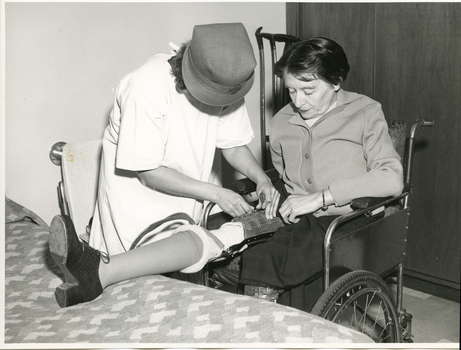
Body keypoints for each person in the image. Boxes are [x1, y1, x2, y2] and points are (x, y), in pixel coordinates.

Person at [48, 22, 280, 308]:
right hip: (136, 198)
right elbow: (149, 173)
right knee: (144, 283)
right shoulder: (146, 88)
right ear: (190, 71)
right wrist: (216, 193)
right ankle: (98, 270)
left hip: (189, 194)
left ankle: (93, 272)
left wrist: (262, 180)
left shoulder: (227, 80)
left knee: (191, 248)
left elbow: (232, 144)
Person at [239, 37, 404, 303]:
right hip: (301, 221)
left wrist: (320, 197)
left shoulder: (365, 112)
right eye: (291, 90)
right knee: (236, 241)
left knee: (272, 258)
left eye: (308, 90)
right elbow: (285, 175)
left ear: (336, 81)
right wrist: (271, 192)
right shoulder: (281, 121)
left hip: (350, 218)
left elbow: (392, 177)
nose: (298, 101)